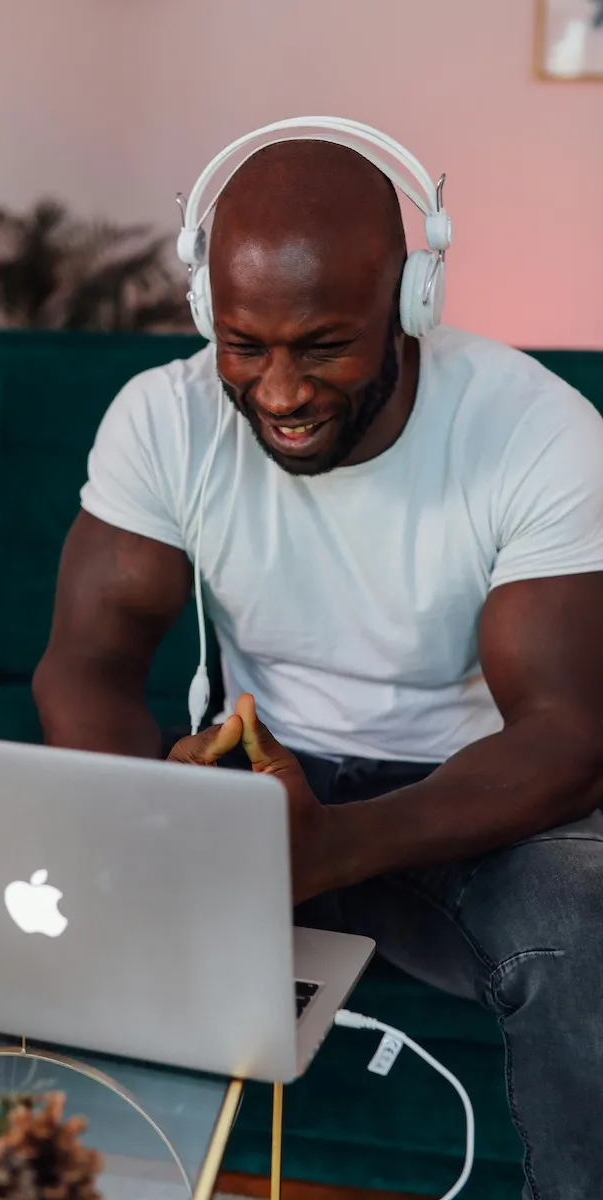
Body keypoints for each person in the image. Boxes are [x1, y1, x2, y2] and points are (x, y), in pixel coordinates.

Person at [33, 130, 603, 1200]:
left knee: (586, 916)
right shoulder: (165, 418)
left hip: (464, 809)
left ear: (411, 302)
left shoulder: (534, 433)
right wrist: (155, 811)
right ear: (206, 314)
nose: (280, 393)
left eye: (323, 346)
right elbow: (88, 665)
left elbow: (567, 738)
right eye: (243, 346)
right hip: (257, 787)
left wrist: (328, 848)